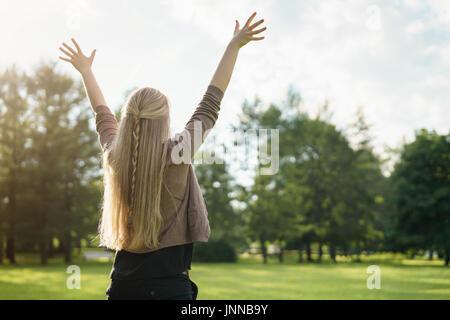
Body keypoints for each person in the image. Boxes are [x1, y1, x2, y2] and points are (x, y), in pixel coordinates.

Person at [58, 12, 266, 300]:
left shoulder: (115, 157)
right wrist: (233, 47)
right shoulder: (178, 153)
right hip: (169, 289)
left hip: (122, 287)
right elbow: (210, 104)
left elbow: (102, 114)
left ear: (128, 119)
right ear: (164, 121)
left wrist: (86, 71)